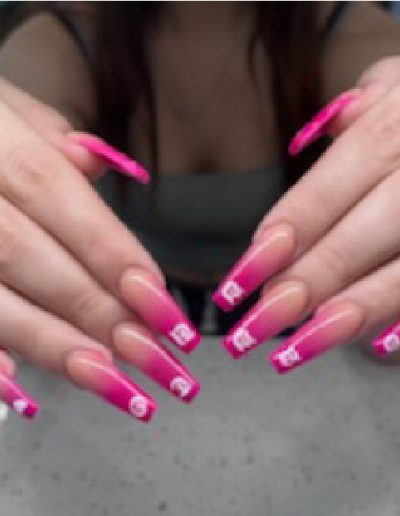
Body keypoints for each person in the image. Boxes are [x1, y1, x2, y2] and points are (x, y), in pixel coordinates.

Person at [0, 1, 399, 421]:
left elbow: (383, 352)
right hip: (118, 355)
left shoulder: (352, 35)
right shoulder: (57, 45)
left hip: (303, 391)